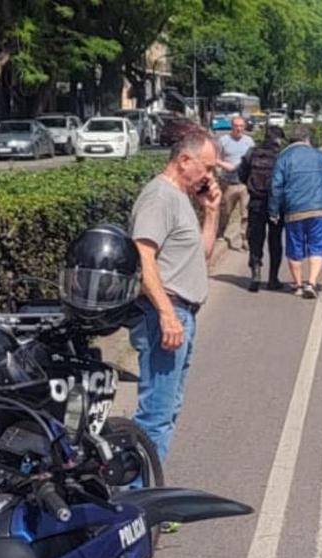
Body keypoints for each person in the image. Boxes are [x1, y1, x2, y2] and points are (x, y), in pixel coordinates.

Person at [128, 129, 220, 464]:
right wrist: (167, 314)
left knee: (168, 409)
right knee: (156, 414)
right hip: (164, 314)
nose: (209, 177)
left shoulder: (181, 197)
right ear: (184, 160)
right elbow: (144, 256)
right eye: (206, 168)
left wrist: (211, 212)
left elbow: (202, 254)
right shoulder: (160, 197)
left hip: (183, 314)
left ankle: (146, 490)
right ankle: (141, 500)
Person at [268, 124, 322, 298]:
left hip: (294, 211)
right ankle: (311, 283)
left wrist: (274, 211)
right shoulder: (319, 155)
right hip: (318, 209)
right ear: (307, 139)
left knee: (295, 248)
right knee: (316, 247)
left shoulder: (283, 157)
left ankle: (297, 285)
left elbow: (276, 186)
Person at [239, 124, 286, 292]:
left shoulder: (252, 152)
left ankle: (256, 274)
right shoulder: (282, 155)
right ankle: (273, 279)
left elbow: (242, 174)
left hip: (256, 202)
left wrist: (252, 187)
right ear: (279, 139)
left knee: (255, 239)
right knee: (275, 240)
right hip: (277, 204)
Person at [216, 116, 254, 252]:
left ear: (244, 127)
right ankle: (220, 233)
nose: (238, 129)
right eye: (236, 126)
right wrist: (223, 167)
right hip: (228, 183)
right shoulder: (223, 141)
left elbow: (253, 160)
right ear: (231, 127)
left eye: (241, 126)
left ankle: (244, 239)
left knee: (245, 214)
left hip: (244, 184)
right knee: (225, 212)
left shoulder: (249, 141)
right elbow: (216, 159)